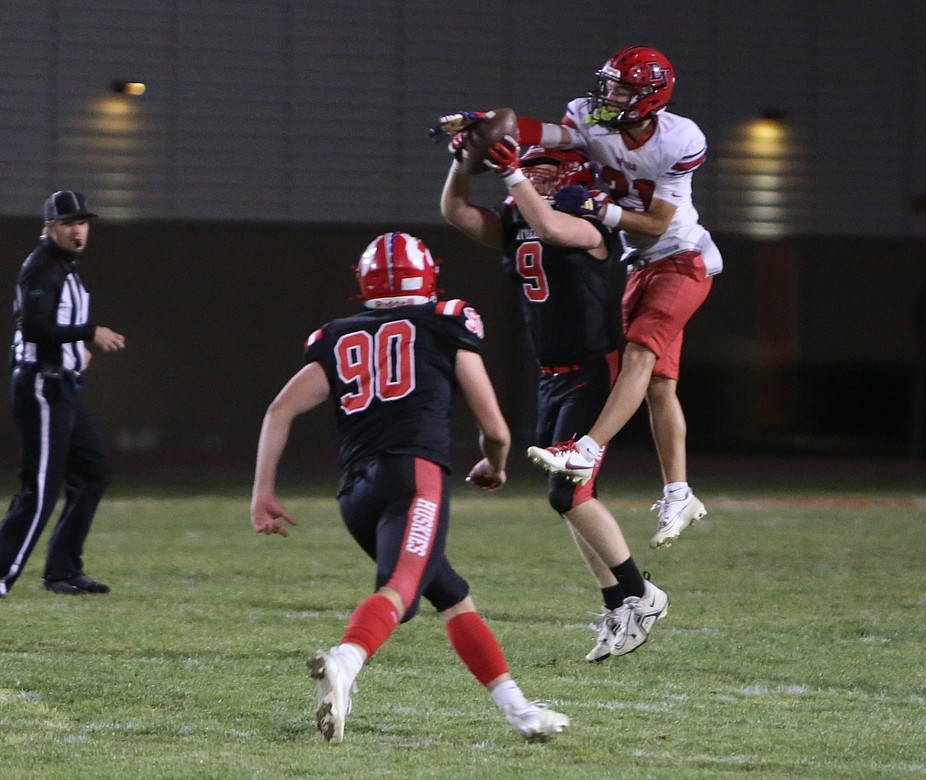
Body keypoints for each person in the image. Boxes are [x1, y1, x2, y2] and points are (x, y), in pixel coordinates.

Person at [249, 231, 568, 744]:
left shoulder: (335, 335)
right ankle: (345, 661)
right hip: (413, 478)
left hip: (355, 495)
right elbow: (497, 430)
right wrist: (496, 463)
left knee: (452, 597)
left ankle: (518, 710)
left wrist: (261, 492)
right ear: (429, 276)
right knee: (399, 592)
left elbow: (279, 410)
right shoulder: (445, 322)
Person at [431, 46, 720, 550]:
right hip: (637, 265)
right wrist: (480, 129)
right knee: (657, 385)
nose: (607, 95)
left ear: (651, 98)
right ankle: (678, 490)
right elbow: (532, 133)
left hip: (680, 254)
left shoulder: (678, 139)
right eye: (607, 84)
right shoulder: (586, 122)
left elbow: (656, 223)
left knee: (639, 354)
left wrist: (593, 207)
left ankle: (587, 449)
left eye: (622, 89)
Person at [439, 137, 668, 662]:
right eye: (531, 170)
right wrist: (461, 163)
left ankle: (640, 592)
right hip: (553, 373)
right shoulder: (519, 219)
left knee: (568, 495)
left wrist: (513, 173)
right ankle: (617, 602)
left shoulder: (588, 222)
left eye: (548, 171)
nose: (534, 178)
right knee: (566, 500)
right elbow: (454, 211)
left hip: (593, 367)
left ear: (573, 178)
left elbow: (551, 228)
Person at [0, 190, 126, 598]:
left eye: (82, 222)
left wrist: (76, 350)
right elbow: (34, 327)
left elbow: (55, 324)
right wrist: (89, 334)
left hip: (61, 384)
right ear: (48, 227)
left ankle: (63, 570)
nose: (77, 229)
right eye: (67, 223)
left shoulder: (66, 267)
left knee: (93, 473)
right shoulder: (42, 267)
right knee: (41, 488)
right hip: (42, 387)